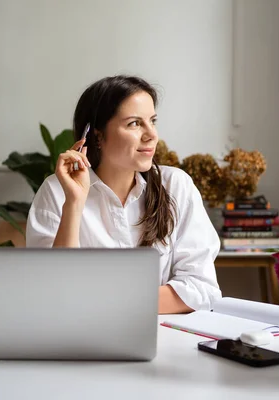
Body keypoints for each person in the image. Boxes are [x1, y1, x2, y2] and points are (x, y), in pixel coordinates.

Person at [26, 75, 222, 313]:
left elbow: (202, 289)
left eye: (152, 121)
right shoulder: (56, 192)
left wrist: (105, 299)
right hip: (81, 338)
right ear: (96, 135)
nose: (151, 135)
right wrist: (74, 204)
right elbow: (51, 294)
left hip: (163, 336)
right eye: (134, 124)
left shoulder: (176, 186)